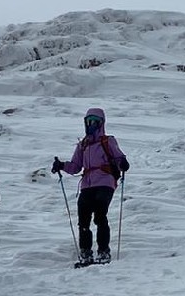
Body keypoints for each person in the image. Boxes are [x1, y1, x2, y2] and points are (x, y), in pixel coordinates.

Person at [51, 107, 129, 266]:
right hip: (87, 184)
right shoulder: (83, 145)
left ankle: (103, 251)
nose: (91, 124)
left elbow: (119, 158)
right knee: (84, 219)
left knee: (100, 215)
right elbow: (75, 167)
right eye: (89, 121)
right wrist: (61, 165)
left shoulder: (108, 141)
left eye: (95, 121)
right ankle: (86, 252)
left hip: (105, 182)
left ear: (101, 123)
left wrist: (122, 163)